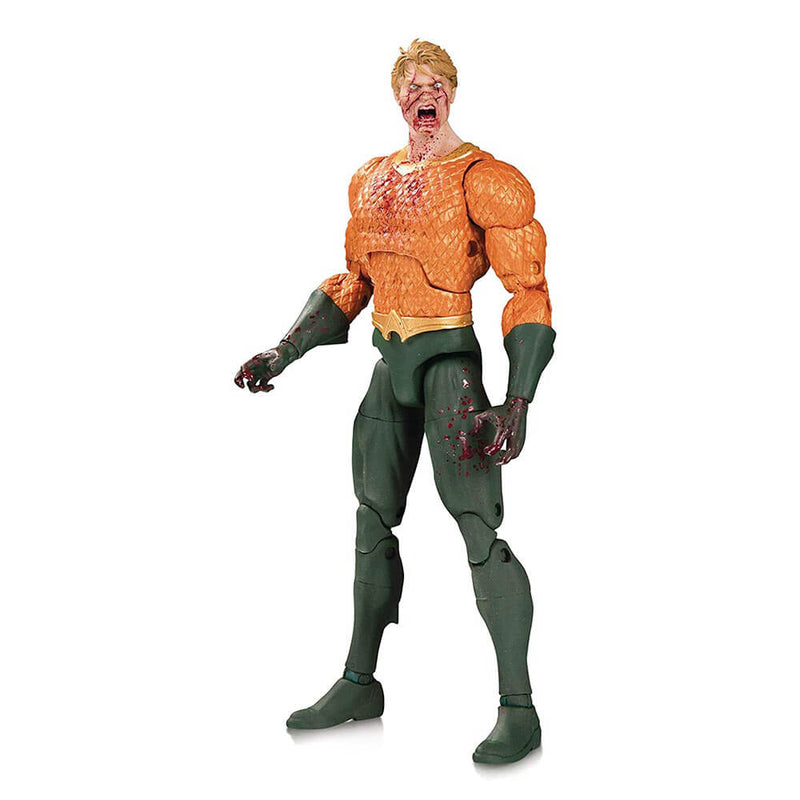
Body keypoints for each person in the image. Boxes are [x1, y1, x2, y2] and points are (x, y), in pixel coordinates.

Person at [235, 39, 556, 764]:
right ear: (397, 98)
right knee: (371, 518)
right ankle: (360, 682)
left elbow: (528, 290)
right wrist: (281, 352)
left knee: (478, 529)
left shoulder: (485, 179)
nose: (423, 91)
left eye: (435, 81)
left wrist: (518, 400)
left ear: (452, 92)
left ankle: (519, 706)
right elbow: (354, 283)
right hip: (389, 365)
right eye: (411, 83)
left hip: (449, 366)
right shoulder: (371, 180)